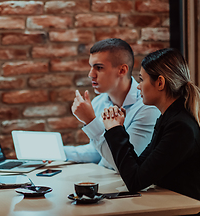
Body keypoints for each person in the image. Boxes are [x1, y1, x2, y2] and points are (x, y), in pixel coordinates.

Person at [102, 48, 200, 206]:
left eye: (142, 79)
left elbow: (135, 181)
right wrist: (117, 128)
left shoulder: (181, 127)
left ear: (160, 82)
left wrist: (115, 130)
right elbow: (138, 168)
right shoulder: (168, 118)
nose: (138, 86)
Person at [66, 38, 160, 171]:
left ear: (122, 70)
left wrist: (90, 121)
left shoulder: (147, 107)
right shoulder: (99, 102)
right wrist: (57, 152)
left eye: (99, 68)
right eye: (91, 67)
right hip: (105, 180)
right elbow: (98, 151)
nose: (90, 74)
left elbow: (124, 164)